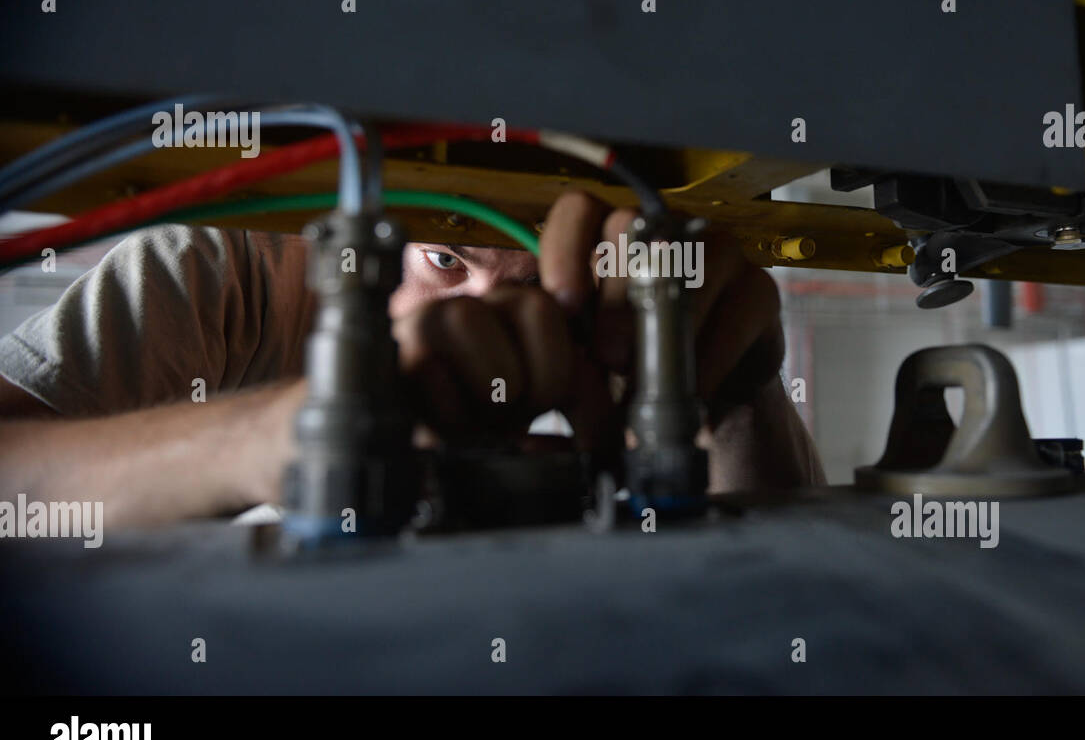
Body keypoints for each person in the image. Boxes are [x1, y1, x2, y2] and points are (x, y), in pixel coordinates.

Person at [0, 191, 824, 528]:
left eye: (524, 284)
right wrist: (292, 432)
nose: (476, 319)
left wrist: (740, 392)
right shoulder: (225, 273)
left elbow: (787, 585)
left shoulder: (599, 312)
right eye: (445, 262)